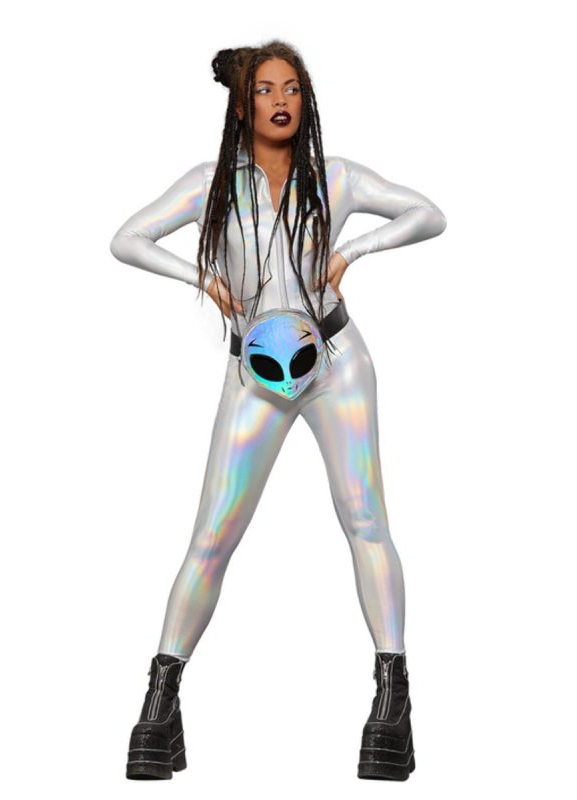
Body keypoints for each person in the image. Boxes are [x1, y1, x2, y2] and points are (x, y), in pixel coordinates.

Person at [109, 40, 446, 782]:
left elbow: (429, 214)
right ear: (242, 104)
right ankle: (160, 701)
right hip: (254, 374)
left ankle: (392, 699)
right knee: (211, 536)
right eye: (265, 89)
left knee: (366, 520)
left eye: (292, 87)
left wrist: (356, 249)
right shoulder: (211, 186)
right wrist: (198, 275)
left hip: (335, 364)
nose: (281, 100)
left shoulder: (336, 177)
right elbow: (126, 239)